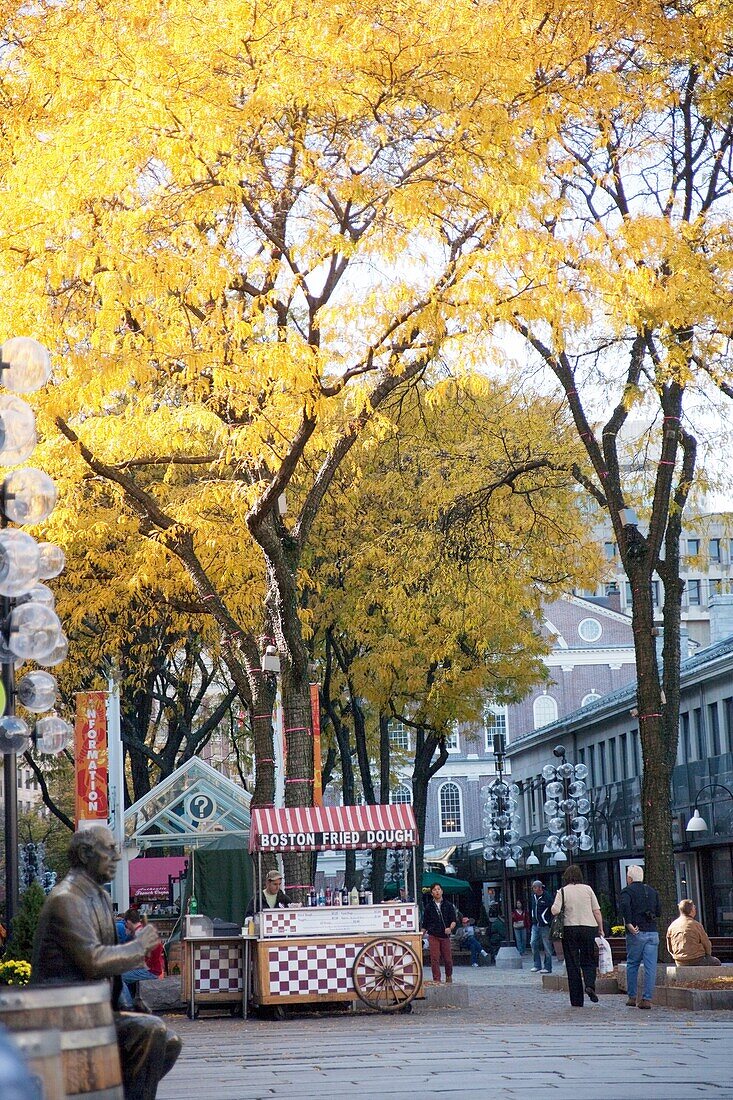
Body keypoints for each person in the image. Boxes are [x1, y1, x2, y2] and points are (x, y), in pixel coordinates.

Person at [31, 825, 181, 1100]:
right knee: (150, 1033)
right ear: (86, 853)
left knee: (168, 1042)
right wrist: (139, 946)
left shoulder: (98, 896)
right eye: (110, 849)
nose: (118, 856)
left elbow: (110, 969)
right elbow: (94, 960)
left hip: (91, 1011)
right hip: (64, 1015)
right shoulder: (67, 899)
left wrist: (127, 1004)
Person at [551, 864, 604, 1008]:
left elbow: (555, 910)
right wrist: (600, 928)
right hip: (589, 927)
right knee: (588, 959)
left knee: (572, 963)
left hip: (570, 928)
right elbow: (597, 911)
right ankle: (590, 985)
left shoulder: (562, 891)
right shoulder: (588, 889)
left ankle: (576, 1000)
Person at [620, 864, 661, 1010]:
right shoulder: (652, 891)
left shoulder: (627, 891)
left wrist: (629, 923)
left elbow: (624, 906)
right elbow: (658, 911)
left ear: (629, 878)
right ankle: (647, 999)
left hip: (636, 932)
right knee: (651, 967)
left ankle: (632, 997)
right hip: (652, 932)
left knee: (632, 964)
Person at [120, 912, 166, 1013]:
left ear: (128, 922)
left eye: (125, 924)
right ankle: (131, 1002)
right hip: (154, 968)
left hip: (150, 970)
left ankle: (127, 1005)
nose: (125, 927)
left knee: (118, 977)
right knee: (127, 976)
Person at [421, 882, 458, 984]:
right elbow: (425, 924)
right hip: (433, 935)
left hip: (445, 936)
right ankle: (436, 979)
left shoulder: (449, 905)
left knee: (448, 959)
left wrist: (450, 928)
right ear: (432, 893)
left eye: (438, 889)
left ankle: (449, 975)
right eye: (434, 890)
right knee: (434, 958)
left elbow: (454, 920)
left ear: (442, 891)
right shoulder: (429, 907)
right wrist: (421, 935)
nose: (437, 891)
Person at [666, 900, 721, 966]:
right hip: (697, 959)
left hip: (679, 961)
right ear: (691, 911)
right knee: (716, 962)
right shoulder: (696, 925)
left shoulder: (672, 925)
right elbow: (706, 943)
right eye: (694, 908)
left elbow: (669, 947)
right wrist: (708, 955)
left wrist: (677, 956)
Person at [530, 880, 554, 974]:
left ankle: (548, 967)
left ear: (539, 888)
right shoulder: (533, 897)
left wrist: (548, 921)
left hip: (544, 925)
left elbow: (552, 908)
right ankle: (537, 965)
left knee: (547, 946)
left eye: (534, 887)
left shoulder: (547, 897)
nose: (533, 889)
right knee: (533, 943)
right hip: (535, 924)